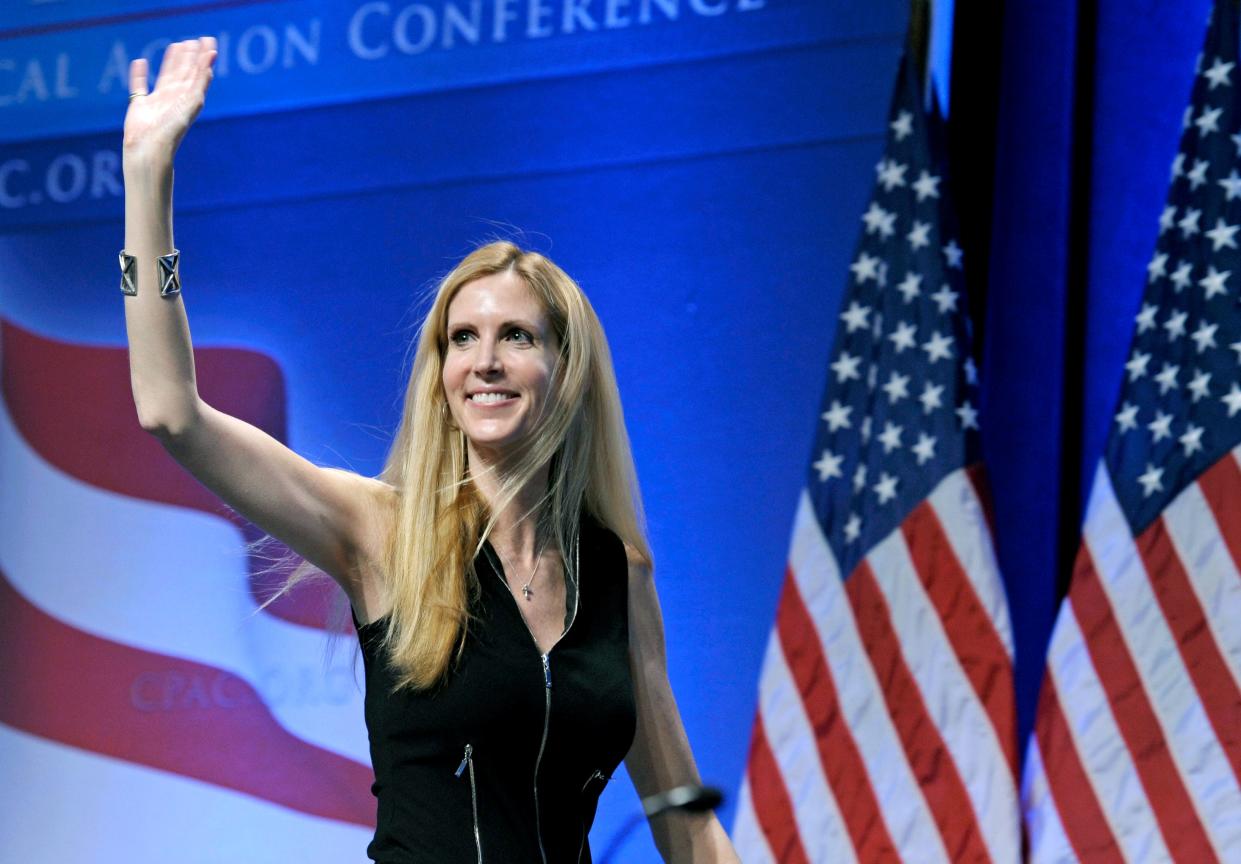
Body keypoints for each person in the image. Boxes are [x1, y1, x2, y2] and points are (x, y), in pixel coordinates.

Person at [121, 37, 740, 863]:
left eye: (516, 336)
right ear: (440, 372)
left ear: (568, 369)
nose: (483, 361)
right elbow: (171, 413)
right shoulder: (384, 530)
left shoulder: (617, 574)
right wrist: (146, 176)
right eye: (462, 338)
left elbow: (683, 818)